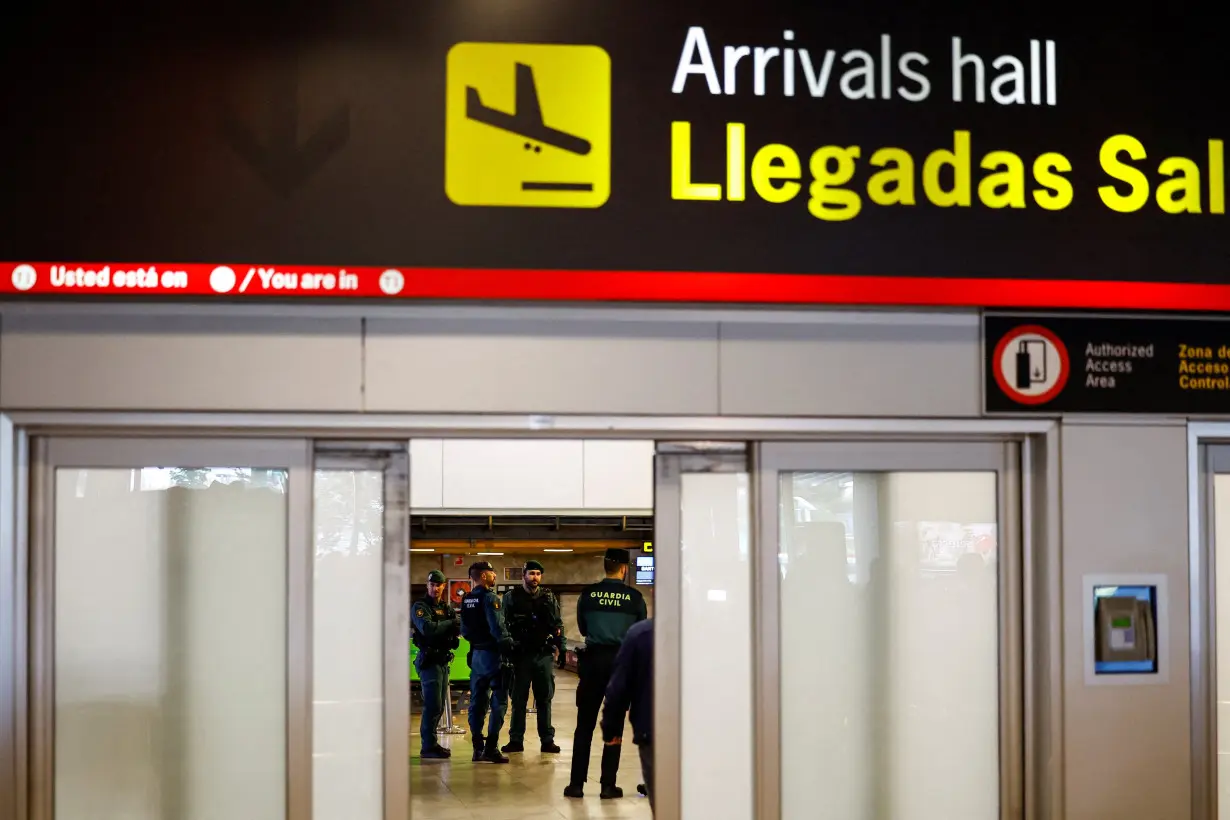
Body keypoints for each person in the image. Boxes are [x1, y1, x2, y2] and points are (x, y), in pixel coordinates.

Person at [564, 548, 648, 800]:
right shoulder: (634, 598)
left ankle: (576, 784)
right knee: (614, 724)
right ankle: (607, 785)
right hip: (620, 664)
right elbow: (639, 632)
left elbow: (582, 626)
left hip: (592, 662)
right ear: (624, 568)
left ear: (605, 566)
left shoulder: (587, 595)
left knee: (584, 725)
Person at [501, 559, 565, 754]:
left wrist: (560, 647)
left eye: (538, 574)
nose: (534, 577)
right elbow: (503, 624)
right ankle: (516, 740)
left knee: (544, 699)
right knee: (519, 700)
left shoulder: (548, 597)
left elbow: (558, 624)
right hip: (520, 656)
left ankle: (547, 740)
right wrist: (507, 650)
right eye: (531, 573)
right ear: (524, 575)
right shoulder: (511, 597)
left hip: (543, 655)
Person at [460, 561, 515, 763]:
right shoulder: (490, 598)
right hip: (493, 656)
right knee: (499, 701)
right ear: (483, 576)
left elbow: (464, 630)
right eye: (492, 573)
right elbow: (497, 628)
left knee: (477, 702)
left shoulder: (467, 600)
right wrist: (509, 646)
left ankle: (477, 748)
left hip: (476, 657)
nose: (494, 576)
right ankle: (491, 748)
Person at [602, 618, 654, 812]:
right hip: (703, 734)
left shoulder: (640, 634)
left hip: (652, 731)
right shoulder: (711, 634)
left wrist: (611, 729)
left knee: (664, 804)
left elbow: (618, 689)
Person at [412, 569, 462, 759]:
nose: (435, 588)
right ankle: (428, 746)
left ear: (443, 586)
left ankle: (432, 744)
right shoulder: (420, 606)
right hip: (429, 660)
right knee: (433, 705)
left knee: (439, 705)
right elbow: (427, 629)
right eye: (432, 584)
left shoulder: (446, 608)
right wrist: (449, 624)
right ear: (427, 585)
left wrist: (448, 626)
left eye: (438, 585)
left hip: (442, 660)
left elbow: (457, 626)